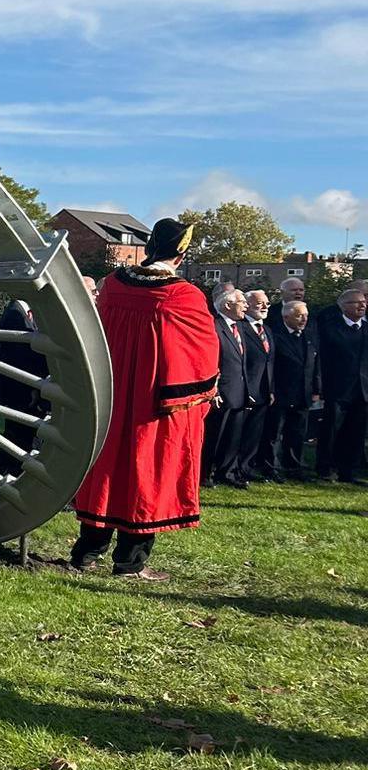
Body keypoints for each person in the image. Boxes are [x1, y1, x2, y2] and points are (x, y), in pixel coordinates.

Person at [71, 218, 216, 579]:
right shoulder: (185, 295)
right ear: (181, 254)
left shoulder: (113, 287)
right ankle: (130, 563)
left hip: (112, 396)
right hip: (154, 404)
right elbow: (200, 353)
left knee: (106, 470)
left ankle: (86, 553)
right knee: (148, 473)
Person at [0, 293, 46, 477]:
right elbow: (19, 356)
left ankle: (12, 473)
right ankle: (7, 474)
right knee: (16, 435)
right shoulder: (15, 314)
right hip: (20, 387)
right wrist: (31, 386)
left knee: (21, 435)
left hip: (24, 386)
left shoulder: (21, 312)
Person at [315, 286, 368, 483]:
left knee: (356, 432)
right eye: (357, 302)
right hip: (337, 388)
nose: (362, 305)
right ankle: (325, 468)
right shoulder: (330, 328)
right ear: (344, 306)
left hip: (362, 390)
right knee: (331, 430)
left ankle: (349, 471)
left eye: (364, 302)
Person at [201, 287, 250, 489]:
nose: (246, 306)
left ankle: (226, 472)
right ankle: (206, 474)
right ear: (228, 305)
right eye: (242, 302)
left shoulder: (239, 328)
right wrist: (215, 390)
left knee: (233, 436)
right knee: (215, 435)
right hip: (220, 393)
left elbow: (241, 360)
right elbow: (210, 360)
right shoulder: (214, 326)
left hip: (239, 391)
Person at [268, 300, 319, 479]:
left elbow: (315, 363)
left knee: (297, 433)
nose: (303, 319)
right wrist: (271, 389)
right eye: (299, 315)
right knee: (274, 432)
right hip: (281, 392)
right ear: (286, 316)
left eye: (306, 315)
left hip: (303, 393)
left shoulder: (309, 336)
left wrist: (316, 388)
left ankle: (294, 466)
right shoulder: (275, 335)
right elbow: (271, 365)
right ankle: (271, 467)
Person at [238, 290, 275, 480]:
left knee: (255, 433)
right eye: (259, 303)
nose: (264, 307)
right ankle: (234, 468)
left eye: (267, 303)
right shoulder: (240, 327)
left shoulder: (266, 330)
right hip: (245, 389)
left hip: (263, 390)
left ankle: (247, 467)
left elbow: (270, 361)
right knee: (239, 432)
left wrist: (271, 389)